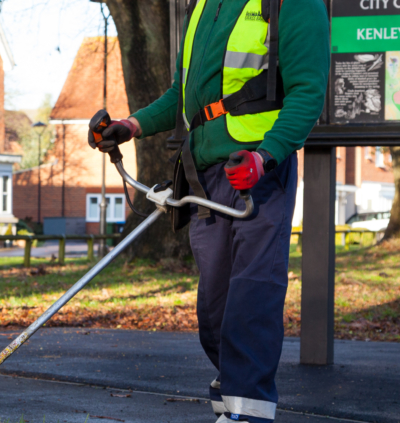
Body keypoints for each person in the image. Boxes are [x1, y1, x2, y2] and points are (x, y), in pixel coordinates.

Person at [88, 1, 329, 422]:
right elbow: (182, 97)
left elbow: (307, 91)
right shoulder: (203, 6)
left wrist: (266, 156)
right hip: (204, 173)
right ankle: (233, 391)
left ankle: (248, 411)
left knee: (253, 294)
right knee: (215, 307)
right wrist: (131, 125)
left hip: (257, 170)